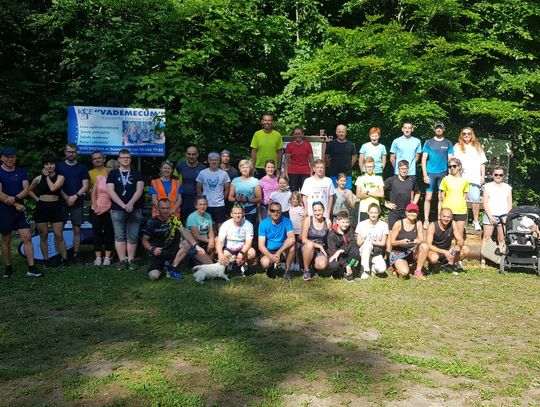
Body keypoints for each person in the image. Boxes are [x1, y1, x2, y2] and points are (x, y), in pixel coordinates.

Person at [142, 198, 211, 281]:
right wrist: (152, 249)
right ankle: (164, 266)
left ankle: (172, 269)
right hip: (157, 252)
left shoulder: (174, 220)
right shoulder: (152, 222)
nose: (165, 211)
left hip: (171, 250)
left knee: (186, 244)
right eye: (163, 208)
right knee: (154, 276)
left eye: (167, 208)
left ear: (170, 208)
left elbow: (185, 233)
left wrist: (196, 246)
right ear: (158, 209)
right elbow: (144, 240)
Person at [0, 147, 42, 277]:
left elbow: (26, 189)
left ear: (15, 158)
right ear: (2, 158)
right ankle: (8, 268)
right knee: (6, 240)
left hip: (20, 210)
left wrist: (16, 199)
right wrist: (16, 204)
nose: (10, 159)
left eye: (12, 156)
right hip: (4, 210)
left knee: (27, 237)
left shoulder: (21, 171)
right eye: (7, 156)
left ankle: (31, 267)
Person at [106, 149, 145, 270]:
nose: (125, 159)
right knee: (119, 236)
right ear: (119, 159)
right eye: (123, 157)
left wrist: (131, 203)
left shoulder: (136, 173)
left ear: (130, 159)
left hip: (134, 208)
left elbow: (139, 190)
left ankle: (131, 260)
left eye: (127, 157)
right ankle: (122, 261)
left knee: (132, 236)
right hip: (117, 209)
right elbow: (110, 191)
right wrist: (123, 205)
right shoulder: (113, 174)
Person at [29, 155, 69, 269]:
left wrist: (46, 177)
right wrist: (37, 200)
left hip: (55, 207)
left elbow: (53, 188)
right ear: (43, 165)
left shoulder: (60, 177)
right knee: (43, 235)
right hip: (42, 207)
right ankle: (46, 260)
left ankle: (64, 259)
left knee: (58, 235)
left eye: (51, 163)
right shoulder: (37, 178)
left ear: (55, 165)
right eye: (46, 164)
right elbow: (29, 190)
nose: (49, 166)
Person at [57, 143, 89, 260]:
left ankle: (76, 253)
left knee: (77, 229)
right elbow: (56, 185)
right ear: (65, 152)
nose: (71, 154)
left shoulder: (82, 167)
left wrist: (75, 196)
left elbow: (85, 185)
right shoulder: (59, 166)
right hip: (61, 201)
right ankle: (61, 254)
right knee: (59, 229)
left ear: (77, 152)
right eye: (69, 152)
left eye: (73, 152)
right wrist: (66, 197)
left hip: (77, 201)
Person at [453, 127, 487, 231]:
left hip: (474, 177)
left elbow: (482, 163)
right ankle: (461, 222)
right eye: (464, 134)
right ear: (461, 135)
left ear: (472, 134)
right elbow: (453, 162)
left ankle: (476, 221)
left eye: (468, 133)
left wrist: (482, 175)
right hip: (461, 178)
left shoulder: (477, 147)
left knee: (475, 200)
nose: (466, 135)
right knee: (461, 201)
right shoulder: (457, 146)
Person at [421, 122, 454, 228]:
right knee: (428, 197)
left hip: (443, 173)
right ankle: (426, 219)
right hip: (430, 173)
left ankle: (440, 219)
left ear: (443, 129)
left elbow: (451, 159)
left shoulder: (448, 143)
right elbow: (423, 159)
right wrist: (425, 174)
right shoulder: (428, 142)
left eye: (440, 128)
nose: (438, 129)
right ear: (434, 129)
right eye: (437, 128)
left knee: (441, 198)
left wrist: (450, 174)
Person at [481, 166, 512, 266]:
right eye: (496, 174)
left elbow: (510, 204)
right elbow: (484, 203)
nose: (498, 176)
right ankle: (483, 260)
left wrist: (506, 216)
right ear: (493, 175)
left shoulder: (508, 187)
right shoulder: (488, 186)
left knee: (502, 239)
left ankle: (500, 261)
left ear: (503, 175)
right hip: (490, 214)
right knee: (486, 238)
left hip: (503, 216)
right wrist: (490, 216)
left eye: (500, 175)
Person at [388, 203, 429, 280]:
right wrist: (401, 242)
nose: (412, 214)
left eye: (414, 212)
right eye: (410, 211)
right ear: (406, 212)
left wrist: (418, 240)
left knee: (424, 246)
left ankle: (418, 271)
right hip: (399, 253)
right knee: (405, 273)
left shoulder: (418, 223)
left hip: (411, 251)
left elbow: (421, 238)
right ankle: (397, 267)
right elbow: (392, 242)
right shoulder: (398, 224)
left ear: (417, 213)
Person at [258, 202, 296, 281]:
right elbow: (261, 245)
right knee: (265, 263)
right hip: (269, 250)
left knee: (292, 246)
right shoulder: (263, 223)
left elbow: (292, 238)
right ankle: (270, 269)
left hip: (282, 249)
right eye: (273, 211)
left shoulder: (287, 221)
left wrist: (279, 252)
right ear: (269, 211)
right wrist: (270, 255)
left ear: (281, 212)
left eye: (278, 211)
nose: (276, 213)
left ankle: (287, 271)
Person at [90, 159, 118, 266]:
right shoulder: (100, 178)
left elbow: (116, 197)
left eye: (114, 169)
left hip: (109, 210)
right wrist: (96, 207)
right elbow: (93, 193)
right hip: (96, 209)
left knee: (109, 233)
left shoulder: (118, 182)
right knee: (96, 233)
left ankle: (107, 257)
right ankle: (98, 257)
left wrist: (106, 209)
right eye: (109, 168)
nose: (111, 170)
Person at [426, 208, 470, 274]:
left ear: (451, 217)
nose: (446, 219)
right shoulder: (432, 225)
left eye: (448, 217)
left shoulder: (453, 223)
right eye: (444, 216)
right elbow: (428, 245)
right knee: (434, 258)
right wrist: (444, 252)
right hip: (435, 251)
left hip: (448, 251)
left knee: (466, 249)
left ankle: (448, 265)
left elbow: (460, 239)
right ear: (439, 216)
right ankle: (433, 266)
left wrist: (458, 245)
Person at [216, 204, 257, 275]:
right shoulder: (225, 224)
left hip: (242, 248)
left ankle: (246, 266)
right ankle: (229, 268)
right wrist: (220, 254)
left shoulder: (248, 224)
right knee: (222, 258)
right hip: (229, 249)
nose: (237, 215)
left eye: (239, 213)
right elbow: (220, 241)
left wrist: (241, 253)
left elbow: (248, 242)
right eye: (235, 213)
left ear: (243, 214)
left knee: (252, 253)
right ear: (231, 214)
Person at [196, 152, 230, 228]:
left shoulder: (224, 174)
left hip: (220, 204)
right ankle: (208, 239)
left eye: (216, 160)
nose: (214, 162)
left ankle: (219, 239)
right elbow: (198, 189)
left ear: (219, 161)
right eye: (211, 160)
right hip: (206, 205)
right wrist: (203, 200)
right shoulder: (202, 173)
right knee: (207, 225)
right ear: (208, 161)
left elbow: (227, 190)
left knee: (220, 225)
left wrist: (221, 198)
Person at [384, 160, 420, 232]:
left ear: (408, 169)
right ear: (398, 169)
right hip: (394, 211)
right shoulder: (391, 180)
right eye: (402, 168)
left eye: (405, 168)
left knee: (405, 233)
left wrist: (413, 204)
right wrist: (386, 203)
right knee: (391, 232)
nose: (404, 171)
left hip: (407, 212)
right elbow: (380, 192)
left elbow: (418, 192)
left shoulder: (412, 180)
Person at [355, 203, 389, 279]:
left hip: (376, 253)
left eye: (375, 213)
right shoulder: (361, 224)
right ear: (368, 212)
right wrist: (366, 240)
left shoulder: (384, 225)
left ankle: (372, 268)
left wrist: (371, 241)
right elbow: (358, 243)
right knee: (367, 244)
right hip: (363, 252)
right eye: (371, 212)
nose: (373, 215)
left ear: (379, 213)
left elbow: (383, 243)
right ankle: (364, 270)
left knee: (382, 269)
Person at [439, 158, 469, 241]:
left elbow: (465, 195)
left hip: (460, 210)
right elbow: (442, 194)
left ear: (459, 167)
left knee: (459, 236)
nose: (452, 168)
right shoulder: (446, 179)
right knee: (445, 235)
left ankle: (457, 253)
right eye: (450, 166)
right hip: (448, 210)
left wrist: (461, 202)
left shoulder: (465, 180)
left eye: (454, 166)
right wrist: (445, 205)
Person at [301, 201, 331, 281]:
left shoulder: (327, 222)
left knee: (322, 265)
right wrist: (319, 246)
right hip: (307, 248)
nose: (317, 212)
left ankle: (314, 267)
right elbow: (303, 239)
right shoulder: (308, 220)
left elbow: (330, 239)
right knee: (310, 244)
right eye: (315, 210)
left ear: (323, 210)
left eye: (319, 210)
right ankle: (306, 271)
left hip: (321, 251)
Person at [175, 145, 206, 223]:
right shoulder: (180, 166)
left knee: (195, 223)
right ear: (186, 154)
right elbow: (174, 182)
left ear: (197, 154)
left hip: (196, 200)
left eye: (193, 154)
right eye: (189, 154)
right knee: (180, 223)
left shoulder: (203, 168)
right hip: (181, 199)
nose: (191, 156)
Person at [327, 211, 359, 282]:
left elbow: (353, 243)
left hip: (346, 254)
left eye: (347, 222)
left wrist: (340, 250)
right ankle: (337, 272)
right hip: (336, 257)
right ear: (337, 222)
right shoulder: (331, 234)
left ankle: (347, 273)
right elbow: (332, 251)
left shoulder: (350, 229)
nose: (345, 224)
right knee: (334, 265)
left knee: (355, 251)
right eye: (343, 222)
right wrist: (345, 265)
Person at [228, 159, 262, 226]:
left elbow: (259, 198)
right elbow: (230, 197)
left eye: (247, 167)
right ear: (240, 169)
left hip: (251, 211)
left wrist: (247, 200)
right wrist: (237, 199)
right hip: (237, 210)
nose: (245, 169)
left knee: (249, 229)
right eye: (243, 167)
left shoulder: (255, 181)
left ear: (250, 169)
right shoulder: (235, 181)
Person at [250, 114, 283, 179]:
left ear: (272, 122)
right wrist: (252, 166)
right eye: (265, 120)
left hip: (273, 168)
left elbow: (279, 153)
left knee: (273, 188)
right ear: (262, 122)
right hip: (259, 167)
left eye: (269, 120)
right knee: (258, 188)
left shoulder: (277, 135)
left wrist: (278, 168)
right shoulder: (257, 134)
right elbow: (254, 151)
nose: (267, 122)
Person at [325, 124, 356, 189]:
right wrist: (331, 166)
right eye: (339, 132)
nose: (341, 133)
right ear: (336, 132)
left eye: (343, 132)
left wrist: (348, 166)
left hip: (347, 174)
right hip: (333, 174)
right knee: (333, 193)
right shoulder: (331, 144)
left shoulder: (351, 145)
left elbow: (354, 158)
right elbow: (326, 157)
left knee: (347, 194)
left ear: (345, 133)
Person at [284, 126, 314, 191]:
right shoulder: (290, 145)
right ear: (293, 134)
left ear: (302, 134)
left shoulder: (307, 145)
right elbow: (286, 160)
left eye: (299, 133)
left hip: (305, 171)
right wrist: (285, 173)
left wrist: (312, 172)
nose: (298, 135)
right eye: (296, 134)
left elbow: (311, 159)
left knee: (305, 192)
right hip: (293, 172)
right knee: (294, 192)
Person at [355, 157, 384, 222]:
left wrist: (367, 192)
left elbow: (381, 194)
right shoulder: (360, 178)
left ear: (374, 167)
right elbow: (358, 195)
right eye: (368, 167)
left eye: (371, 166)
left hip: (375, 210)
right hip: (363, 209)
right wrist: (375, 193)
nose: (369, 168)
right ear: (365, 167)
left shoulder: (378, 178)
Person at [288, 191, 306, 271]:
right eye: (293, 199)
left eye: (296, 199)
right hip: (291, 232)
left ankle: (298, 264)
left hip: (299, 232)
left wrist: (302, 233)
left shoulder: (301, 209)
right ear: (291, 199)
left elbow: (303, 222)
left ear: (299, 200)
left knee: (298, 249)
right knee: (291, 248)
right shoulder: (289, 208)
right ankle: (291, 263)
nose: (295, 201)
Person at [220, 150, 238, 214]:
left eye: (227, 156)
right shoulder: (216, 169)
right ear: (220, 157)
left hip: (230, 198)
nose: (225, 158)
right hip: (218, 197)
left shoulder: (234, 171)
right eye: (223, 156)